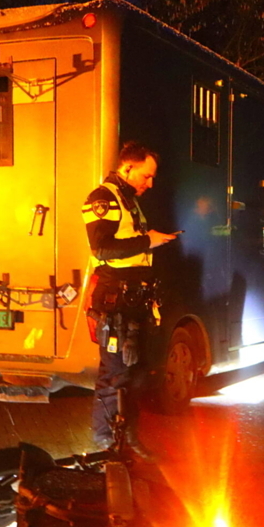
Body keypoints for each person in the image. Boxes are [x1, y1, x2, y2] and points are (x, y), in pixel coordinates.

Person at [82, 142, 178, 457]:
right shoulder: (103, 198)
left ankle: (127, 439)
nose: (149, 183)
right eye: (146, 176)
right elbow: (102, 249)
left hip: (132, 302)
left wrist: (151, 242)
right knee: (114, 376)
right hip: (115, 302)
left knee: (134, 374)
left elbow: (129, 243)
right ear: (128, 168)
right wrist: (147, 241)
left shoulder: (128, 200)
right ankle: (106, 444)